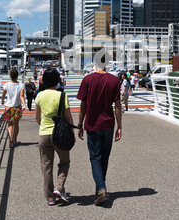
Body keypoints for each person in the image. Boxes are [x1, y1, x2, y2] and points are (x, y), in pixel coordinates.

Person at [77, 52, 122, 206]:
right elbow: (118, 106)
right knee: (104, 157)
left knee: (95, 157)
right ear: (108, 63)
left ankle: (101, 189)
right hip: (108, 124)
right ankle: (100, 188)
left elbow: (83, 105)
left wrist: (80, 124)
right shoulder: (114, 81)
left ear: (94, 61)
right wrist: (119, 126)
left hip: (92, 124)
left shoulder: (87, 80)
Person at [35, 68, 74, 206]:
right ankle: (59, 188)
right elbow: (69, 118)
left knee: (46, 166)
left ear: (44, 81)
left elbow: (37, 117)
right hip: (60, 134)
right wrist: (72, 133)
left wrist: (43, 126)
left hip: (44, 133)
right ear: (57, 81)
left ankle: (50, 198)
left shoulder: (39, 95)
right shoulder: (62, 96)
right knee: (64, 162)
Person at [1, 68, 26, 148]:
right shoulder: (21, 85)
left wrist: (2, 101)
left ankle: (10, 140)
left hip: (8, 106)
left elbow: (3, 95)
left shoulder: (6, 84)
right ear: (17, 76)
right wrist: (24, 104)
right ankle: (15, 139)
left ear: (10, 76)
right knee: (16, 124)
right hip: (17, 106)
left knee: (10, 124)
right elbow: (21, 96)